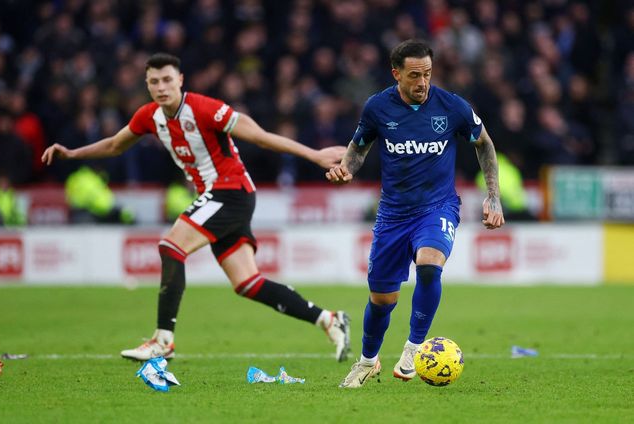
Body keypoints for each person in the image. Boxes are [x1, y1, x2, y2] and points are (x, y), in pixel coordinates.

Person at [41, 52, 351, 362]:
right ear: (147, 86)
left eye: (167, 80)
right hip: (219, 197)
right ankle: (329, 320)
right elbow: (113, 145)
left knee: (170, 247)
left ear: (180, 80)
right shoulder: (149, 116)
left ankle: (162, 340)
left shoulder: (205, 109)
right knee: (247, 283)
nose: (161, 87)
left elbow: (261, 137)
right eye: (154, 82)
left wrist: (314, 155)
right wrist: (70, 154)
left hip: (231, 192)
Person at [326, 40, 505, 388]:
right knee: (381, 299)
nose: (422, 82)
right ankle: (367, 361)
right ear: (396, 74)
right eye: (413, 75)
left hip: (437, 207)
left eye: (427, 74)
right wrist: (346, 169)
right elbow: (358, 148)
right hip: (392, 214)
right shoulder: (378, 107)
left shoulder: (452, 107)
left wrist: (493, 197)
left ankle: (413, 347)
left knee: (429, 262)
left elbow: (484, 143)